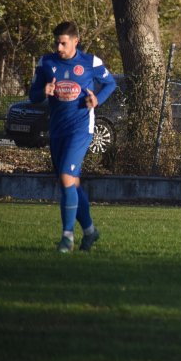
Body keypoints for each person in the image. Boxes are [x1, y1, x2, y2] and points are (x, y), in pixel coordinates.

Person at [30, 21, 117, 253]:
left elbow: (111, 83)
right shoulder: (46, 62)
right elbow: (33, 96)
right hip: (57, 129)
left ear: (75, 41)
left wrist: (97, 99)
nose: (59, 47)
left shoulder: (91, 63)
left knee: (67, 178)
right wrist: (43, 91)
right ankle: (90, 232)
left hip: (81, 129)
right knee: (70, 184)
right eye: (56, 42)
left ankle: (66, 238)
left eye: (63, 43)